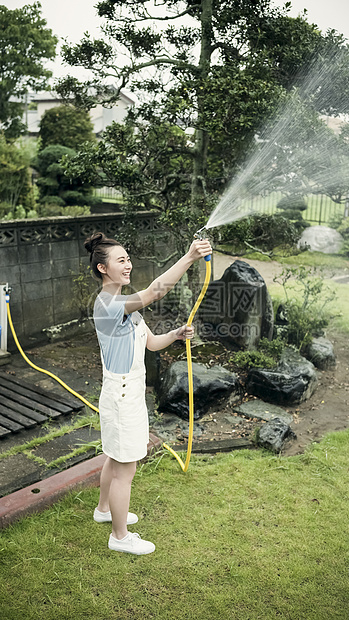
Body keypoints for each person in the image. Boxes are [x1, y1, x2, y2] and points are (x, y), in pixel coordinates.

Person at [84, 232, 212, 555]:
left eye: (128, 258)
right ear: (103, 268)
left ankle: (104, 510)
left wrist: (175, 334)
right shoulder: (110, 305)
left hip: (127, 394)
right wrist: (189, 257)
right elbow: (156, 290)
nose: (128, 265)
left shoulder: (126, 307)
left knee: (115, 458)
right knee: (125, 468)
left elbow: (150, 343)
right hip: (122, 394)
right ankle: (120, 536)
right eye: (121, 260)